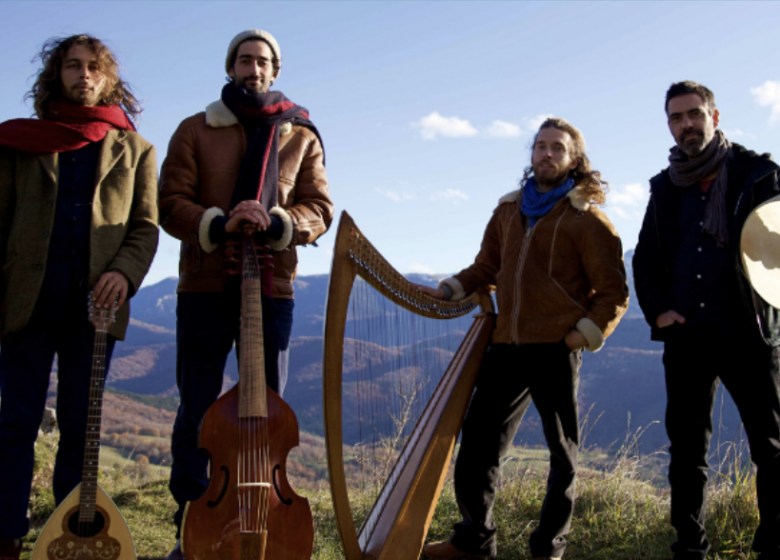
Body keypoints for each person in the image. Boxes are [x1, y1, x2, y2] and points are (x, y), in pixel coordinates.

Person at [418, 118, 629, 560]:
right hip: (505, 345)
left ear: (574, 159)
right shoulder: (508, 211)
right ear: (531, 154)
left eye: (557, 148)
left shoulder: (588, 220)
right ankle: (473, 542)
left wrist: (580, 337)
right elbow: (486, 268)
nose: (547, 154)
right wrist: (446, 289)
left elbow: (613, 293)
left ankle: (548, 549)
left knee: (562, 455)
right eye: (540, 147)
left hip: (555, 348)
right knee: (477, 447)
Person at [158, 29, 333, 557]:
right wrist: (219, 219)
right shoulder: (194, 128)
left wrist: (276, 220)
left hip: (273, 285)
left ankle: (261, 524)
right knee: (196, 408)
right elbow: (170, 201)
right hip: (206, 283)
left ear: (274, 71)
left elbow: (319, 209)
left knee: (264, 414)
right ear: (230, 67)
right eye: (244, 60)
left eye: (262, 62)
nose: (253, 69)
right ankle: (190, 532)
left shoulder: (301, 134)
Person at [0, 34, 159, 560]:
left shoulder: (135, 150)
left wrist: (124, 273)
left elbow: (145, 227)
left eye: (94, 67)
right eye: (74, 65)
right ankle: (4, 532)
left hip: (97, 306)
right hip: (25, 300)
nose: (84, 75)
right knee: (15, 421)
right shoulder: (19, 142)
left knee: (80, 427)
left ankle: (65, 534)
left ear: (108, 78)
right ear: (57, 74)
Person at [633, 81, 780, 560]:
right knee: (687, 453)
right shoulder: (664, 187)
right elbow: (647, 260)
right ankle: (690, 547)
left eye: (694, 114)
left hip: (749, 334)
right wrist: (658, 310)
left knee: (771, 446)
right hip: (688, 337)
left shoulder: (758, 174)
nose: (686, 125)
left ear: (714, 117)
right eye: (676, 118)